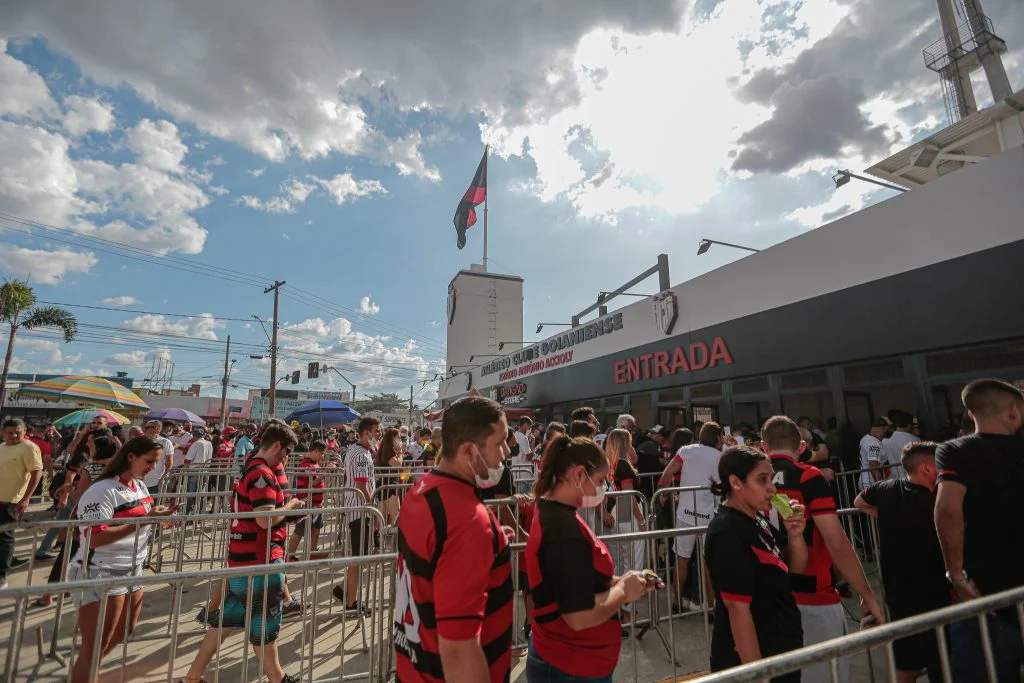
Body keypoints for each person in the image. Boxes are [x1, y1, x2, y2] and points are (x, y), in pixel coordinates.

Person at [393, 396, 514, 682]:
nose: (507, 453)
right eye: (499, 443)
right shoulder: (466, 522)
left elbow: (436, 558)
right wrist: (478, 538)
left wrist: (491, 543)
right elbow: (459, 650)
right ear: (469, 452)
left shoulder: (422, 489)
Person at [526, 435, 660, 682]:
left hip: (573, 661)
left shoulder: (559, 513)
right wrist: (624, 592)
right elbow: (578, 616)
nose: (602, 490)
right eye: (599, 481)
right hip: (570, 665)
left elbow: (578, 576)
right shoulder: (563, 530)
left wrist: (625, 580)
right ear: (578, 475)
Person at [763, 415, 885, 683]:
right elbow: (836, 540)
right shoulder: (808, 476)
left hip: (764, 597)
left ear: (764, 447)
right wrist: (868, 594)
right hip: (812, 596)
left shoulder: (749, 479)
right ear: (803, 447)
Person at [184, 423, 303, 683]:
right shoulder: (261, 474)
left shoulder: (252, 467)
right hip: (259, 563)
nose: (286, 458)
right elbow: (264, 519)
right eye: (286, 452)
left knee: (222, 625)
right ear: (275, 446)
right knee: (265, 630)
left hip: (243, 562)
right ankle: (278, 678)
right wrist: (292, 504)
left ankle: (192, 676)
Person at [934, 378, 1024, 682]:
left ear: (971, 415)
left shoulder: (955, 451)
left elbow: (948, 509)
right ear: (1014, 412)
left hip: (984, 595)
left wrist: (956, 575)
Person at [70, 436, 177, 683]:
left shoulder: (138, 485)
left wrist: (159, 516)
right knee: (96, 646)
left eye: (156, 462)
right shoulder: (102, 489)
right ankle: (85, 675)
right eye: (149, 461)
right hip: (100, 571)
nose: (153, 467)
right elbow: (96, 537)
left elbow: (141, 515)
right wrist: (144, 522)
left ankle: (87, 672)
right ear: (131, 456)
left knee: (123, 632)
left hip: (132, 567)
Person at [705, 445, 807, 681]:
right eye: (762, 480)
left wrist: (796, 535)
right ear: (736, 483)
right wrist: (757, 675)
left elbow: (794, 569)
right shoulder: (727, 531)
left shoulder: (757, 519)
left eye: (771, 478)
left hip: (780, 655)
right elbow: (737, 610)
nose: (772, 487)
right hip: (753, 664)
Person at [855, 441, 947, 683]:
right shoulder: (938, 497)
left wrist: (884, 516)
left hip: (898, 591)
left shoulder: (885, 489)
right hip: (936, 589)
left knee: (907, 661)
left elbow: (859, 502)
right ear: (927, 469)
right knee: (942, 657)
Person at [37, 435, 120, 607]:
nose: (89, 447)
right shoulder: (117, 468)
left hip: (85, 515)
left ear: (98, 449)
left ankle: (49, 594)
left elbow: (81, 494)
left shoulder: (91, 467)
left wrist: (68, 489)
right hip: (108, 515)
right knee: (92, 557)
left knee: (68, 553)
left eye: (91, 445)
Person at [659, 422, 723, 611]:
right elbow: (722, 486)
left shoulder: (686, 450)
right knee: (708, 561)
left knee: (681, 558)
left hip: (685, 513)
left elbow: (668, 472)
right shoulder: (720, 456)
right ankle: (711, 607)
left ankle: (677, 602)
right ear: (718, 437)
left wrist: (664, 492)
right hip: (708, 516)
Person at [332, 416, 380, 611]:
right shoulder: (361, 454)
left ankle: (343, 589)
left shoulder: (358, 450)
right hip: (360, 510)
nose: (378, 435)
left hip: (358, 509)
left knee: (361, 555)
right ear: (367, 433)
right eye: (377, 431)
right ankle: (351, 601)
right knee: (359, 557)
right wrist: (374, 510)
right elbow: (361, 486)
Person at [604, 429, 646, 606]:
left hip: (617, 511)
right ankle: (628, 608)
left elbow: (635, 458)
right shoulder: (622, 464)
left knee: (622, 559)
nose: (632, 443)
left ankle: (622, 605)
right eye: (629, 441)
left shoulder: (613, 462)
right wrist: (642, 520)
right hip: (627, 513)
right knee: (633, 560)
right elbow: (629, 495)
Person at [0, 418, 44, 587]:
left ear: (24, 431)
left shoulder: (29, 447)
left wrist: (26, 499)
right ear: (3, 433)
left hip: (11, 501)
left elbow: (37, 473)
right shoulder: (2, 447)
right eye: (10, 432)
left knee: (5, 537)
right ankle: (8, 560)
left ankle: (2, 574)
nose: (14, 435)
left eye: (18, 432)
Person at [287, 440, 328, 561]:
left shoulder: (314, 463)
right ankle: (289, 555)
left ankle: (313, 551)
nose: (322, 456)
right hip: (307, 503)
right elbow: (314, 481)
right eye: (321, 453)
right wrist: (327, 471)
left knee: (316, 528)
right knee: (300, 530)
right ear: (315, 451)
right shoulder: (306, 465)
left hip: (316, 504)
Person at [374, 427, 403, 525]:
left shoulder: (386, 450)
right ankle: (393, 539)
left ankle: (377, 538)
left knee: (381, 517)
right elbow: (398, 464)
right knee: (395, 517)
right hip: (389, 486)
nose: (400, 440)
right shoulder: (388, 452)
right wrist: (400, 451)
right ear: (392, 439)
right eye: (398, 438)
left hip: (385, 485)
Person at [142, 420, 174, 496]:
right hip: (140, 480)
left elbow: (169, 462)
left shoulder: (165, 442)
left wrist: (165, 476)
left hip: (156, 481)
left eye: (147, 427)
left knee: (154, 505)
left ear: (157, 429)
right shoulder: (141, 441)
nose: (144, 429)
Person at [881, 410, 915, 480]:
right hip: (912, 478)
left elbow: (882, 460)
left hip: (895, 479)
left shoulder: (885, 441)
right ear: (909, 425)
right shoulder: (915, 440)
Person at [858, 416, 891, 487]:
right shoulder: (874, 443)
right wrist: (880, 485)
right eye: (888, 428)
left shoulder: (866, 437)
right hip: (871, 483)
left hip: (867, 481)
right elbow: (873, 465)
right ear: (884, 428)